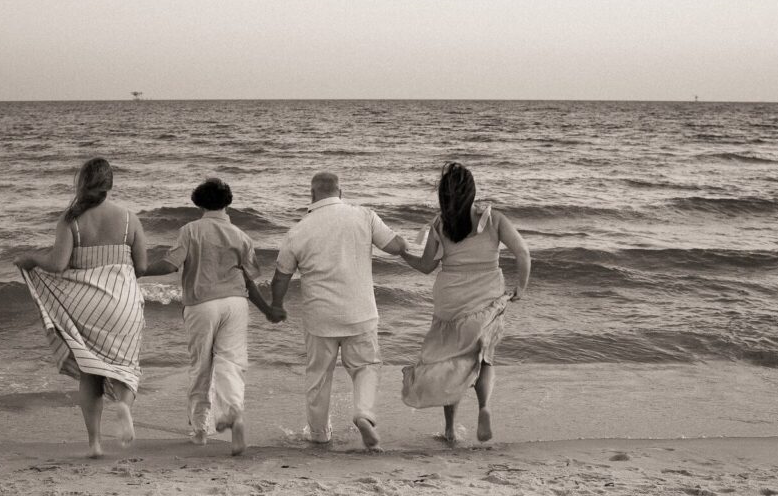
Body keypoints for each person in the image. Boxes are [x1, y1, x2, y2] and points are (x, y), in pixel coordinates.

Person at [15, 157, 147, 459]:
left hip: (86, 307)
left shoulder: (71, 220)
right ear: (110, 184)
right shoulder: (130, 219)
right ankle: (124, 406)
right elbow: (140, 267)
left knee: (91, 372)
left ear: (82, 182)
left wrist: (32, 259)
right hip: (124, 303)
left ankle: (95, 444)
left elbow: (57, 265)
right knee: (125, 368)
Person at [142, 178, 283, 455]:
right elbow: (248, 281)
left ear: (199, 203)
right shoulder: (240, 236)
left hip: (202, 304)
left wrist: (139, 269)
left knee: (201, 366)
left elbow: (170, 265)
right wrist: (267, 310)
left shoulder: (190, 231)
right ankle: (233, 412)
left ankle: (199, 430)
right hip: (235, 304)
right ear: (227, 202)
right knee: (230, 363)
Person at [270, 172, 407, 449]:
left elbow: (281, 277)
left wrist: (276, 305)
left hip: (320, 318)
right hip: (360, 313)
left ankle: (319, 435)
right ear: (340, 192)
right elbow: (395, 247)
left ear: (312, 195)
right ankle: (363, 414)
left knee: (318, 377)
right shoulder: (364, 216)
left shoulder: (298, 231)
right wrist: (407, 243)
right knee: (366, 367)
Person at [398, 162, 530, 444]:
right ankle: (484, 408)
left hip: (450, 304)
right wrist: (521, 286)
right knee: (485, 358)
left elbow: (426, 266)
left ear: (443, 195)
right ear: (472, 192)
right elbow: (523, 253)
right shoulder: (494, 220)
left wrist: (402, 253)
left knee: (451, 364)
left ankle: (450, 430)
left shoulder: (440, 224)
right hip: (486, 302)